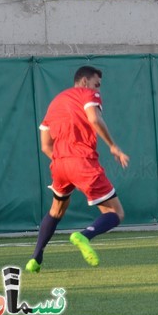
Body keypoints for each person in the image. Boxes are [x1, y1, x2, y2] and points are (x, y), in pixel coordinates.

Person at [26, 65, 129, 273]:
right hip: (82, 161)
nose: (98, 89)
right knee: (116, 212)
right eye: (96, 84)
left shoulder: (55, 103)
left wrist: (64, 160)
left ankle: (35, 258)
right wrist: (113, 146)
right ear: (84, 82)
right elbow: (94, 118)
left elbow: (45, 145)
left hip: (59, 163)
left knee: (56, 210)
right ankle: (84, 235)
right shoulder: (88, 94)